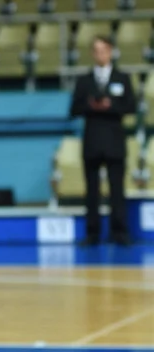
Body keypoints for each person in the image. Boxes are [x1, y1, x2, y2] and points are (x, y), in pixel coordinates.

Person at [70, 35, 137, 246]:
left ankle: (120, 232)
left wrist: (110, 106)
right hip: (92, 142)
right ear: (92, 53)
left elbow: (131, 107)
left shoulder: (122, 78)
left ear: (111, 51)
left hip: (115, 142)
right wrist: (92, 106)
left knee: (117, 190)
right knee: (91, 191)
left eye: (104, 49)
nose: (100, 54)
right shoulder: (84, 81)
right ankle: (92, 233)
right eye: (96, 50)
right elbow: (74, 109)